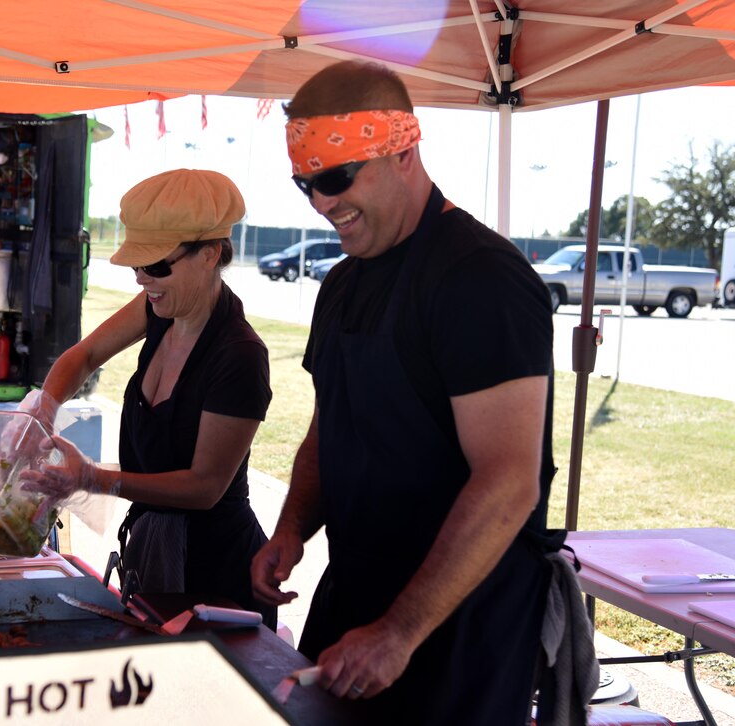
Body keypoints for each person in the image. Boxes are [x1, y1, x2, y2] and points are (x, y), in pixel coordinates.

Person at [249, 61, 567, 722]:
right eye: (305, 185)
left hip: (457, 627)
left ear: (404, 152)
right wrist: (293, 527)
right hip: (356, 596)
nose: (321, 204)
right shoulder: (342, 283)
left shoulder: (480, 279)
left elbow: (510, 481)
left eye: (336, 178)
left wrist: (399, 633)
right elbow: (330, 422)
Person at [19, 169, 277, 628]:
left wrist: (98, 480)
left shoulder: (240, 356)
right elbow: (85, 354)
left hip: (213, 570)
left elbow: (204, 487)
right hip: (153, 548)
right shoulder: (160, 309)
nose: (142, 280)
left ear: (210, 254)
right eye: (137, 267)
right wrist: (43, 410)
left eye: (156, 266)